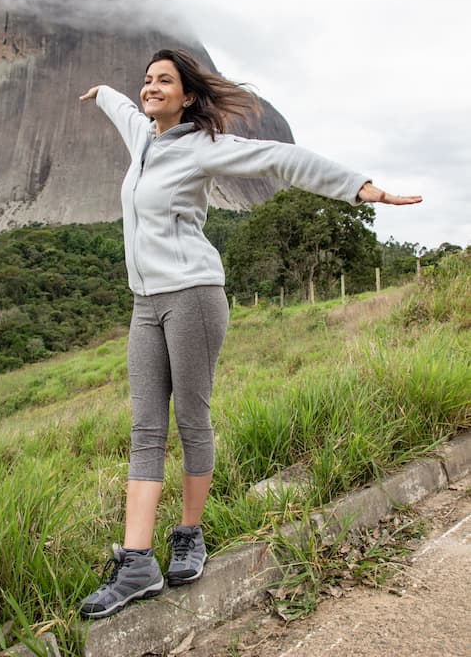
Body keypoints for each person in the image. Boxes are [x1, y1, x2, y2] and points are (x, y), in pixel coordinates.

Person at [77, 49, 422, 619]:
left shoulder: (203, 146)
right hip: (145, 305)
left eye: (165, 80)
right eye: (146, 81)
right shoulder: (141, 138)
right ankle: (136, 562)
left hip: (193, 296)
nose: (150, 88)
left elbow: (281, 160)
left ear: (187, 96)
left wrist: (364, 188)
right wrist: (101, 91)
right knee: (144, 426)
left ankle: (189, 534)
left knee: (191, 418)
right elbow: (121, 108)